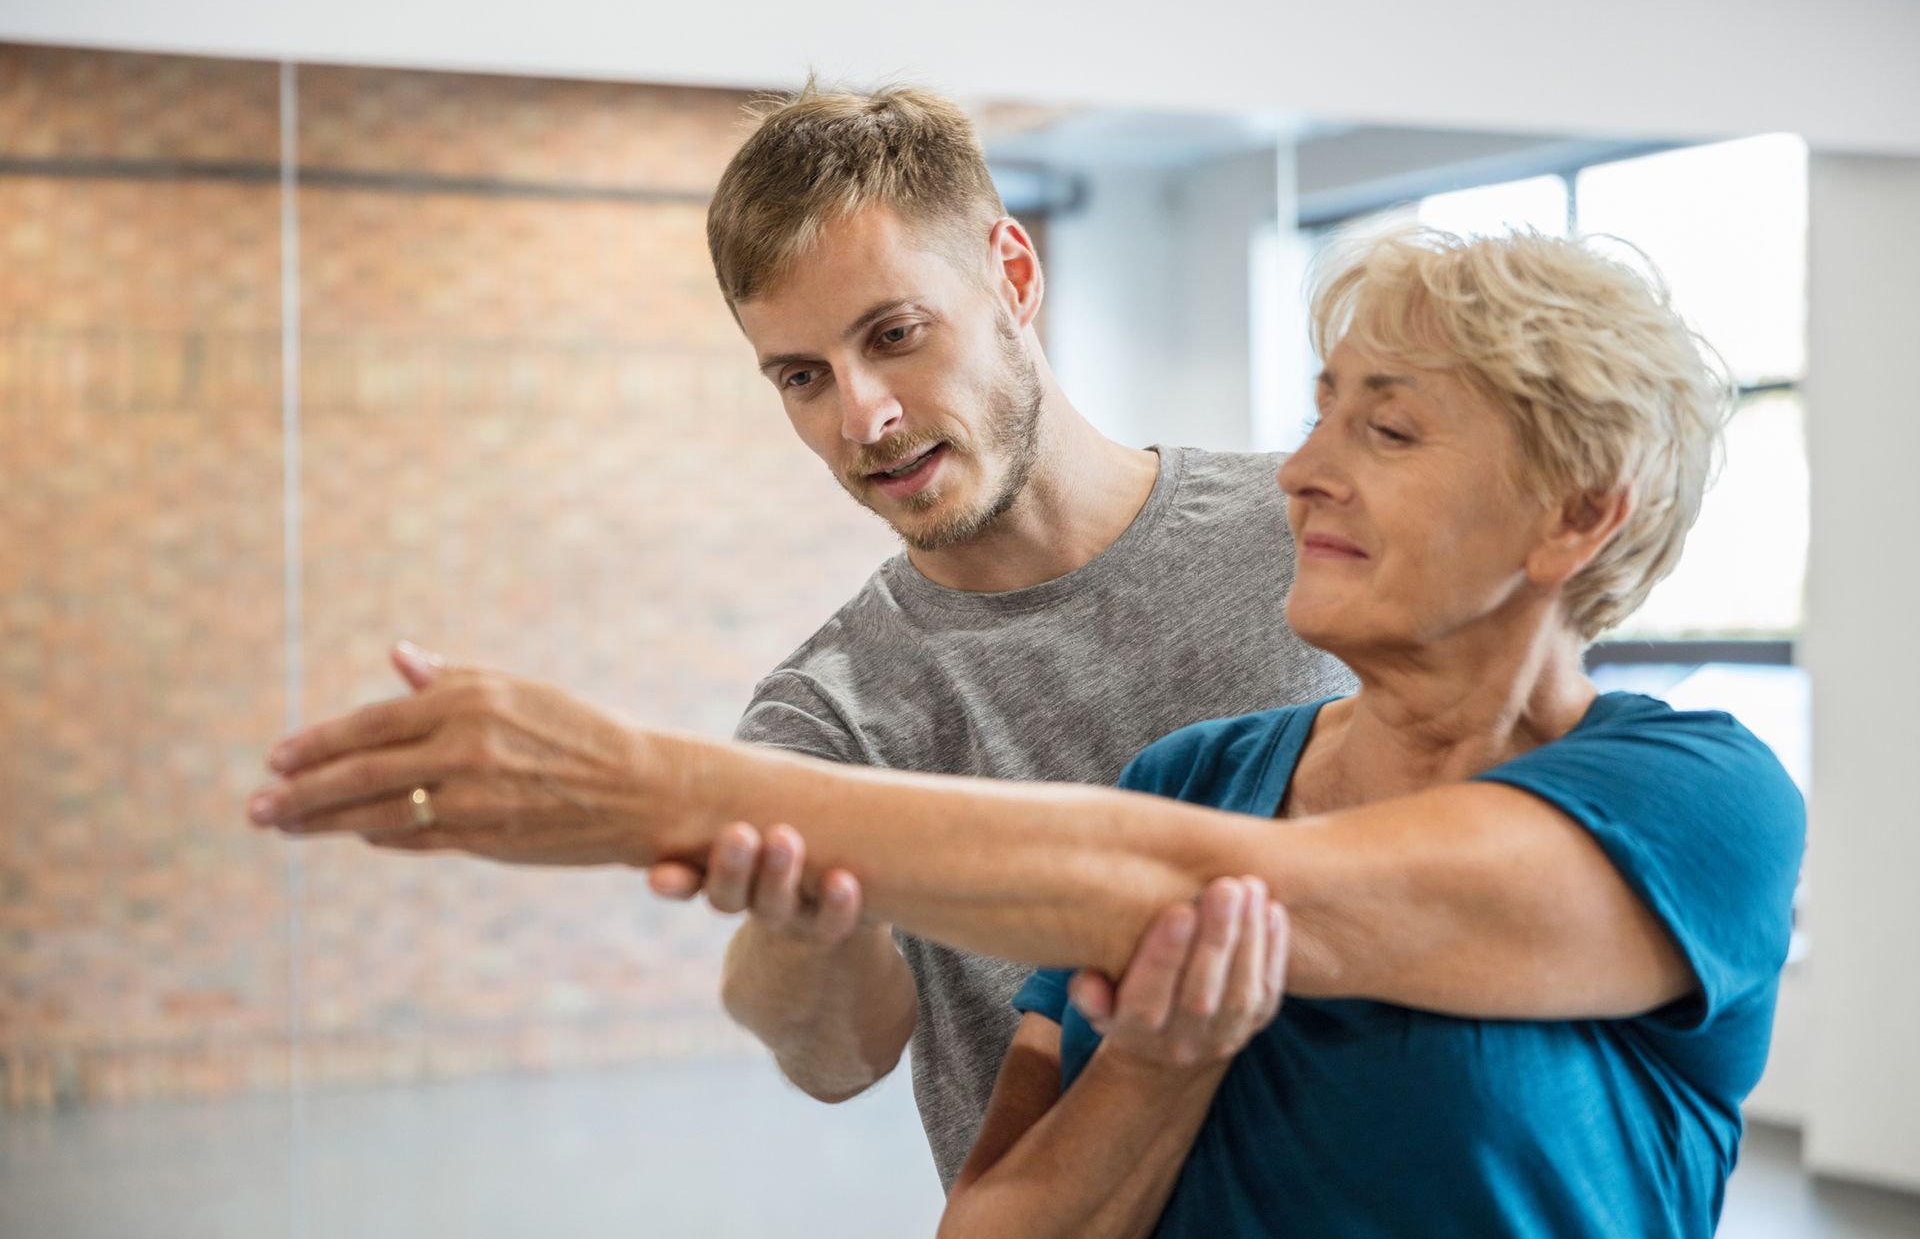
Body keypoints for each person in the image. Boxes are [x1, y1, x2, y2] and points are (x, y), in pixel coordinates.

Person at [249, 222, 1804, 1236]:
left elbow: (1200, 888)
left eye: (1384, 430)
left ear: (1575, 519)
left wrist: (634, 782)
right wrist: (1160, 1069)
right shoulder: (1196, 777)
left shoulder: (1697, 799)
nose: (1303, 471)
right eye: (1320, 412)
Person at [657, 79, 1354, 1185]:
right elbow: (837, 1055)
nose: (861, 417)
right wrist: (799, 922)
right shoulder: (830, 708)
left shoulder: (1314, 530)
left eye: (894, 334)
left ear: (1013, 277)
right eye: (802, 377)